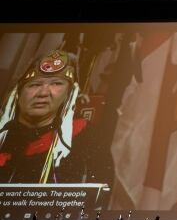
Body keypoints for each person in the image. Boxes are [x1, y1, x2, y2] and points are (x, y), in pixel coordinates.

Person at [0, 49, 106, 184]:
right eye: (35, 84)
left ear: (69, 94)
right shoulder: (3, 135)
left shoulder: (86, 138)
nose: (43, 92)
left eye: (56, 83)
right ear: (18, 93)